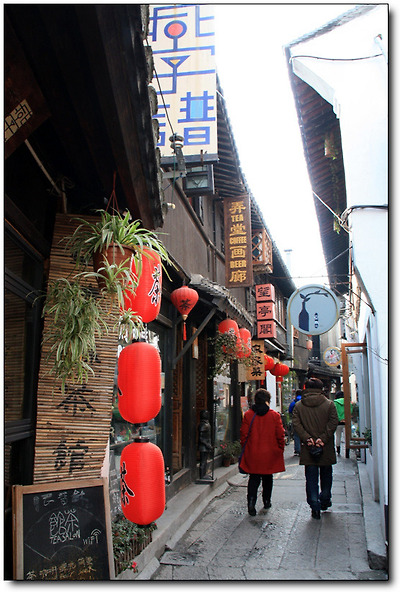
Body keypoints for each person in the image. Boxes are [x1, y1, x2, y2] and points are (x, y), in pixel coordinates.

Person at [292, 378, 339, 520]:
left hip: (308, 448)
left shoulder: (299, 406)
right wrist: (322, 439)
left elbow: (296, 424)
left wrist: (307, 438)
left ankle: (314, 505)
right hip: (325, 447)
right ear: (321, 388)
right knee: (326, 474)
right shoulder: (329, 404)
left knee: (311, 478)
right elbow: (333, 422)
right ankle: (325, 498)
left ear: (306, 388)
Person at [239, 389, 285, 516]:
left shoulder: (248, 415)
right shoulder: (274, 416)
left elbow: (243, 434)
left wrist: (245, 448)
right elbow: (280, 434)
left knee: (253, 479)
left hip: (253, 452)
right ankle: (266, 501)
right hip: (270, 453)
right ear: (267, 400)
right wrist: (280, 448)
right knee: (268, 478)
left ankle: (251, 503)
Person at [333, 391, 352, 455]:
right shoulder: (348, 402)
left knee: (338, 436)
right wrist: (346, 418)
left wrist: (339, 419)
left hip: (338, 422)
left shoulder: (335, 402)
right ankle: (347, 450)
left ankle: (338, 449)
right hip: (346, 422)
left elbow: (335, 412)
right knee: (347, 437)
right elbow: (350, 410)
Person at [198, 410, 213, 479]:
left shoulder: (206, 423)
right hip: (203, 446)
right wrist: (207, 445)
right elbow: (201, 438)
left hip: (206, 445)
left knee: (205, 461)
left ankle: (204, 474)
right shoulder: (203, 425)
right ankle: (202, 475)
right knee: (203, 461)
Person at [288, 390, 302, 455]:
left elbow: (290, 410)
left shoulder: (294, 402)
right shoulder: (304, 401)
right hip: (304, 420)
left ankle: (297, 450)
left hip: (296, 420)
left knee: (296, 435)